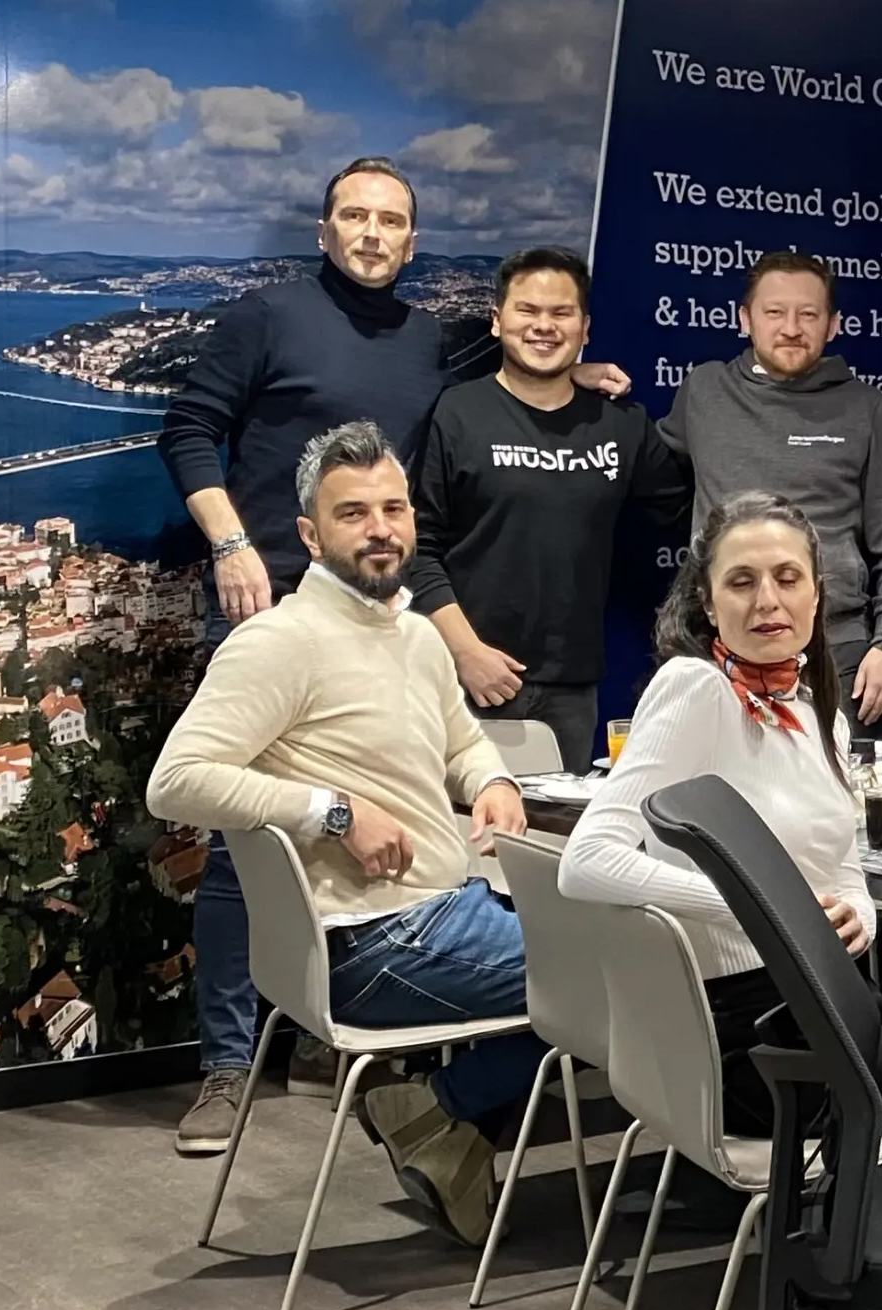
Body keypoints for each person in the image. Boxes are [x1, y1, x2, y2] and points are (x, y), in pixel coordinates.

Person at [156, 156, 627, 1150]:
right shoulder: (267, 316)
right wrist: (234, 545)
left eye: (392, 220)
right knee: (245, 859)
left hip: (379, 608)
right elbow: (189, 431)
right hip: (272, 601)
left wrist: (571, 380)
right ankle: (229, 1067)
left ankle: (369, 1035)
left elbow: (509, 368)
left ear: (413, 241)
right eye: (354, 215)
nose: (372, 233)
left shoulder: (434, 341)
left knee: (405, 788)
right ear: (324, 228)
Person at [557, 489, 882, 1310]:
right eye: (742, 581)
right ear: (707, 602)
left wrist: (852, 903)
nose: (767, 599)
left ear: (820, 595)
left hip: (818, 1007)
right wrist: (763, 907)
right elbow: (589, 860)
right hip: (753, 1041)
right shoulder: (698, 689)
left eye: (787, 578)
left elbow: (835, 861)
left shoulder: (812, 704)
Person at [147, 421, 544, 1246]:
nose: (380, 529)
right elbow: (174, 781)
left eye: (393, 509)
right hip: (373, 943)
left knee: (632, 961)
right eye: (353, 513)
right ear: (309, 534)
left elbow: (461, 741)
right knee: (644, 968)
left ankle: (447, 1125)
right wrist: (333, 810)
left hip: (446, 912)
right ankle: (441, 1108)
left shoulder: (414, 635)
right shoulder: (280, 641)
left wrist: (493, 780)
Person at [405, 246, 691, 771]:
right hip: (464, 680)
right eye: (527, 311)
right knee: (462, 847)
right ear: (497, 322)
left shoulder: (621, 424)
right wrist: (467, 654)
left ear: (585, 328)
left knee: (552, 847)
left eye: (561, 313)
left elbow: (688, 509)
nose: (543, 326)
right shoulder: (458, 412)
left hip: (572, 688)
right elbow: (417, 550)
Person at [658, 250, 882, 734]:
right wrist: (578, 378)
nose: (791, 327)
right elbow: (636, 458)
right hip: (718, 649)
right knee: (718, 801)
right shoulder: (704, 391)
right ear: (745, 319)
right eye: (774, 312)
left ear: (833, 325)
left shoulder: (865, 407)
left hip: (835, 654)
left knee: (833, 803)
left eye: (808, 314)